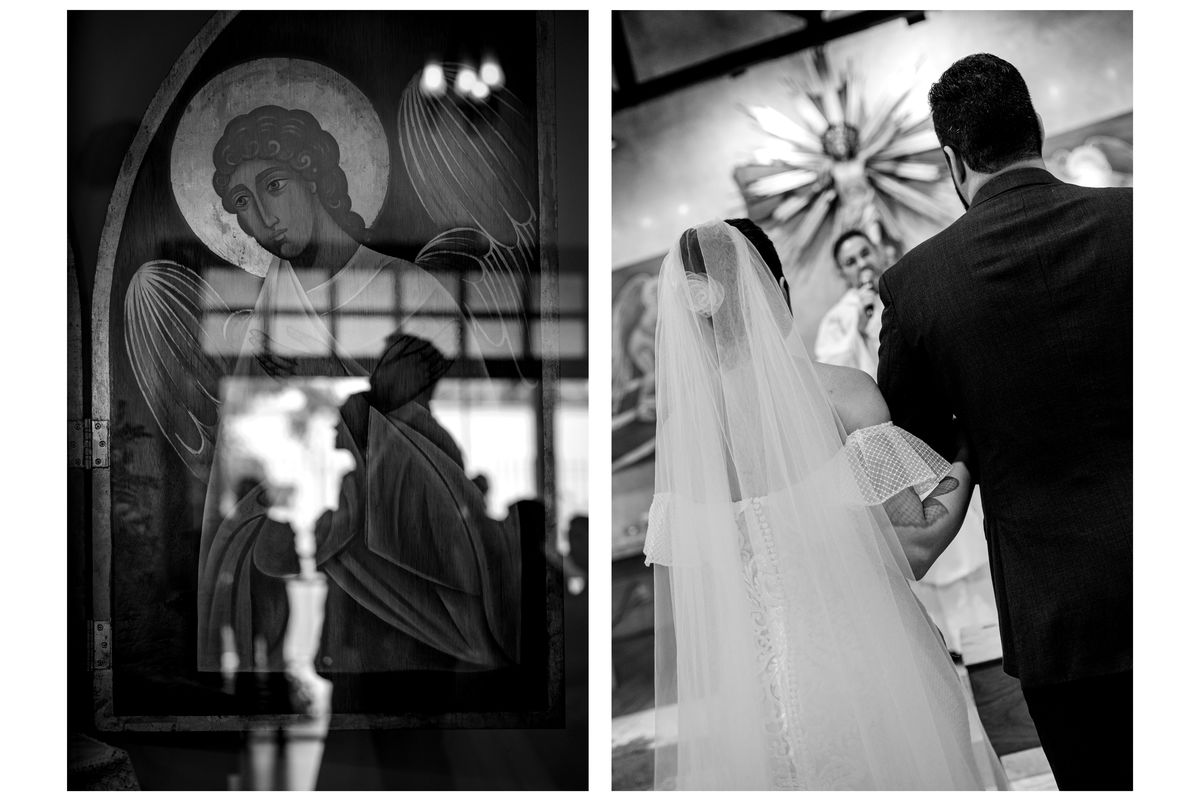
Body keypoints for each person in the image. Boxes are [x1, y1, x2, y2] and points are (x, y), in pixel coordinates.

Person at [157, 105, 522, 674]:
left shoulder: (412, 292)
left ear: (317, 179)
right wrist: (365, 407)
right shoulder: (265, 329)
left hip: (421, 576)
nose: (262, 216)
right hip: (313, 591)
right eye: (242, 204)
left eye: (274, 185)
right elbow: (245, 490)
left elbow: (480, 458)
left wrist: (375, 412)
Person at [644, 219, 1005, 790]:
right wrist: (964, 458)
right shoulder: (842, 394)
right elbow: (915, 547)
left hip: (754, 708)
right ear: (777, 292)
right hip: (874, 673)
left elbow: (693, 596)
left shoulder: (681, 439)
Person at [877, 54, 1132, 790]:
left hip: (1058, 614)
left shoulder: (917, 286)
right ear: (1037, 130)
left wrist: (975, 426)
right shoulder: (1142, 223)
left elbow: (913, 452)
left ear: (952, 161)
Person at [813, 229, 885, 376]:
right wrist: (858, 332)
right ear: (842, 273)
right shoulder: (836, 318)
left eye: (865, 253)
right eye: (851, 262)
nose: (862, 264)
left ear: (877, 251)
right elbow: (831, 372)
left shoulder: (902, 292)